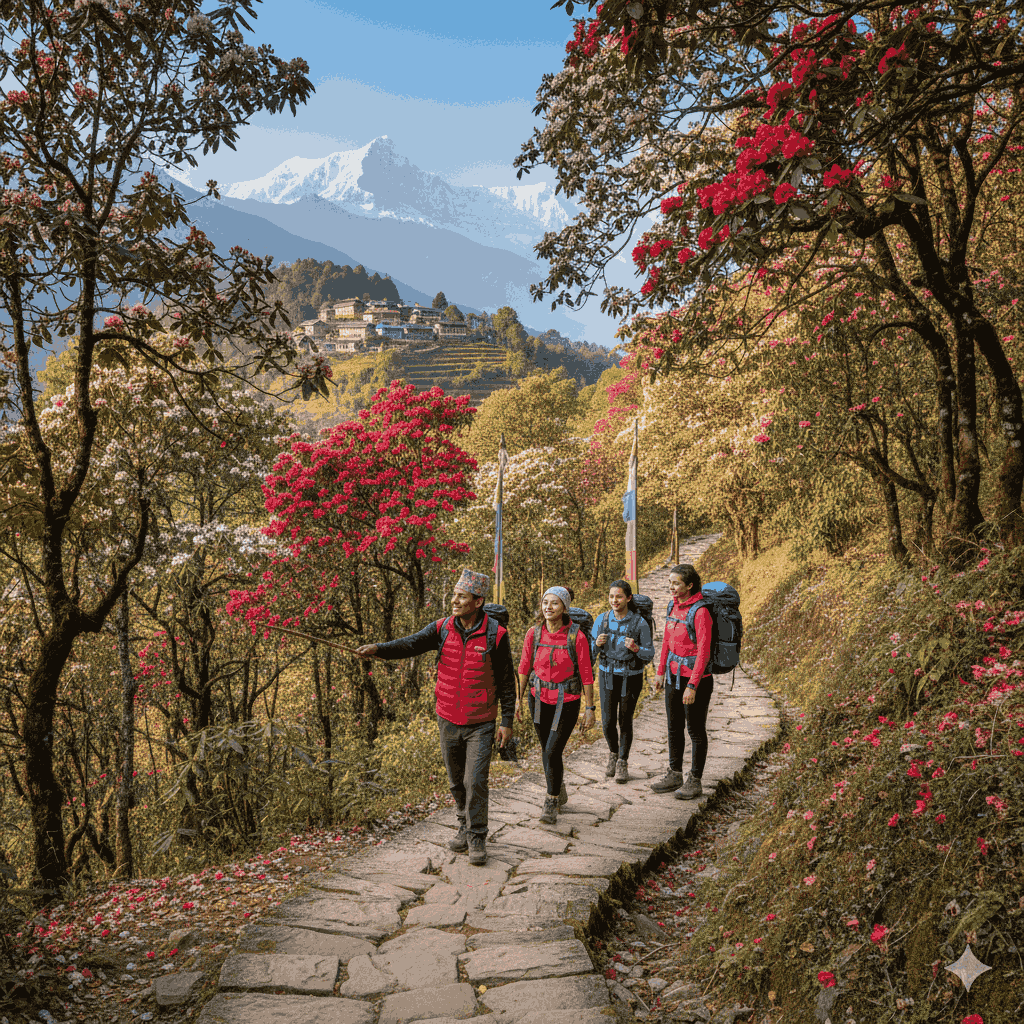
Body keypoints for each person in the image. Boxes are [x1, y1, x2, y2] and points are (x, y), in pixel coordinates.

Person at [355, 568, 515, 866]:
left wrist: (507, 721)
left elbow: (507, 681)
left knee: (475, 780)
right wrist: (379, 648)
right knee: (456, 781)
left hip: (481, 722)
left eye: (461, 596)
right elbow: (411, 643)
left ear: (477, 601)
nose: (454, 600)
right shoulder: (442, 628)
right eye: (454, 594)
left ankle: (478, 836)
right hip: (447, 718)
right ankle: (464, 825)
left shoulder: (496, 634)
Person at [516, 586, 596, 824]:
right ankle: (558, 788)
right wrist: (518, 701)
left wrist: (590, 709)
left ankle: (551, 800)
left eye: (554, 603)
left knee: (552, 750)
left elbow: (587, 675)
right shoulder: (534, 634)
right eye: (545, 603)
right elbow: (523, 667)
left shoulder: (576, 636)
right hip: (537, 698)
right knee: (548, 750)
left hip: (567, 701)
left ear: (565, 608)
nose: (548, 607)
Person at [650, 563, 713, 800]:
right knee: (673, 726)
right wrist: (660, 671)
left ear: (690, 585)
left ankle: (694, 780)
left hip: (696, 680)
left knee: (695, 730)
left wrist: (693, 685)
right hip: (673, 677)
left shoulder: (700, 611)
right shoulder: (672, 606)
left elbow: (703, 653)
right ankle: (674, 773)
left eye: (676, 583)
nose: (672, 588)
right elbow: (667, 641)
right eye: (670, 583)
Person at [592, 578, 654, 784]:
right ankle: (613, 753)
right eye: (611, 596)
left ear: (628, 598)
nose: (614, 600)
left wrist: (636, 649)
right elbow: (590, 654)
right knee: (608, 721)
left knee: (625, 720)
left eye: (619, 596)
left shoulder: (639, 623)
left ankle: (622, 762)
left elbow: (650, 653)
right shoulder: (602, 619)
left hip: (631, 677)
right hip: (607, 674)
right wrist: (596, 644)